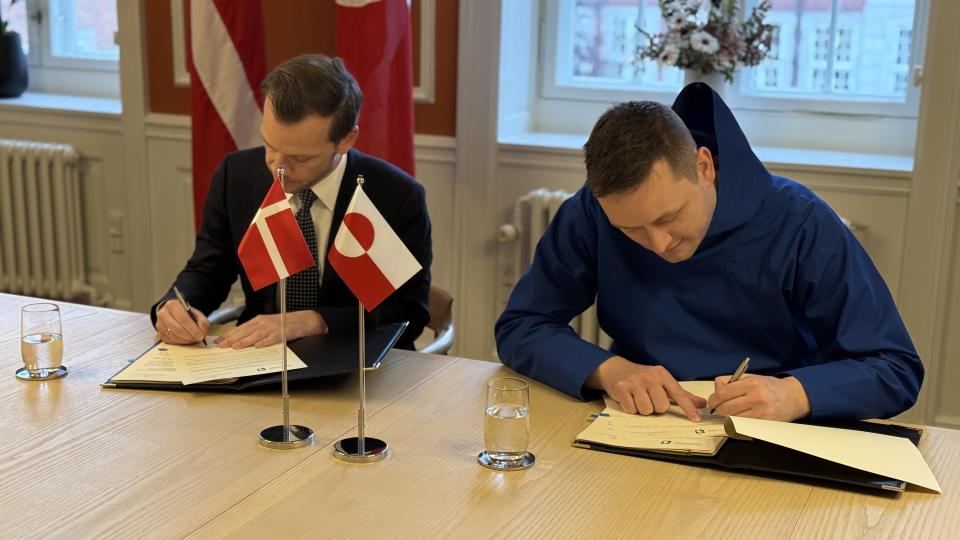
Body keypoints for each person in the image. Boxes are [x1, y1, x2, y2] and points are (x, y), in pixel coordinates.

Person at [495, 83, 922, 422]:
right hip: (644, 424)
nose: (659, 244)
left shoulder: (802, 222)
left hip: (775, 433)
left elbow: (895, 367)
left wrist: (794, 394)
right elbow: (522, 324)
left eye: (669, 217)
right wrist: (609, 370)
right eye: (630, 230)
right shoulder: (592, 211)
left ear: (704, 167)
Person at [152, 54, 431, 350]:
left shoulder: (395, 197)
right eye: (270, 145)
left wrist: (317, 320)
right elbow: (208, 270)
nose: (278, 168)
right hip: (261, 360)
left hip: (356, 361)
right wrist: (176, 306)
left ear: (346, 140)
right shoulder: (236, 176)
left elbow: (409, 314)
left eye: (300, 158)